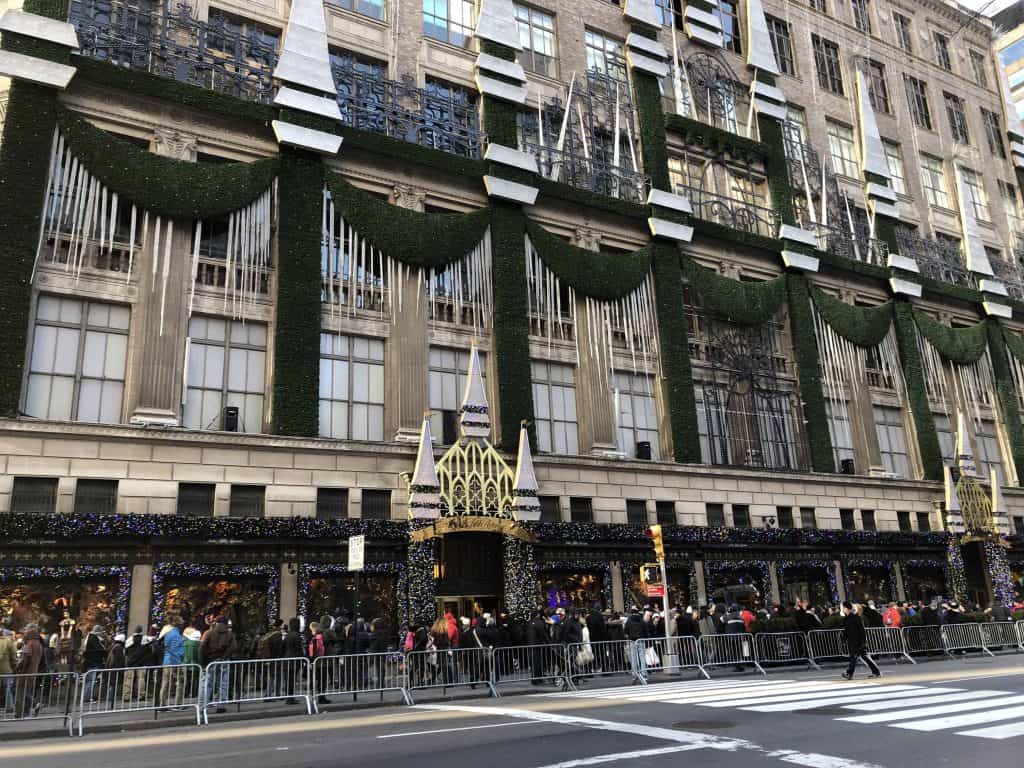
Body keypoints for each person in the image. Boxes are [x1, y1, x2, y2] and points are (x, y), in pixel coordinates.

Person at [200, 617, 236, 713]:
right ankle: (221, 705)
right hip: (224, 661)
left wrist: (204, 660)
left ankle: (203, 705)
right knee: (223, 683)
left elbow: (202, 647)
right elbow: (233, 647)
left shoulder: (209, 633)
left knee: (207, 683)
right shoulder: (229, 634)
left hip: (211, 661)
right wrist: (224, 656)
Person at [841, 602, 880, 680]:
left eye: (843, 608)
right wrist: (844, 640)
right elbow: (846, 631)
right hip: (852, 641)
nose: (842, 609)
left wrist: (863, 641)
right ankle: (876, 672)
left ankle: (849, 673)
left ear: (846, 608)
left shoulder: (856, 618)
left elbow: (862, 630)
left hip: (858, 641)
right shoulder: (846, 619)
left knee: (854, 657)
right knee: (864, 657)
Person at [81, 625, 107, 702]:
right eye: (101, 632)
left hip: (90, 663)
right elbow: (100, 649)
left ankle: (86, 697)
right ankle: (87, 698)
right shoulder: (94, 638)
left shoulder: (89, 637)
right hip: (93, 663)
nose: (102, 634)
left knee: (89, 681)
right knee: (90, 681)